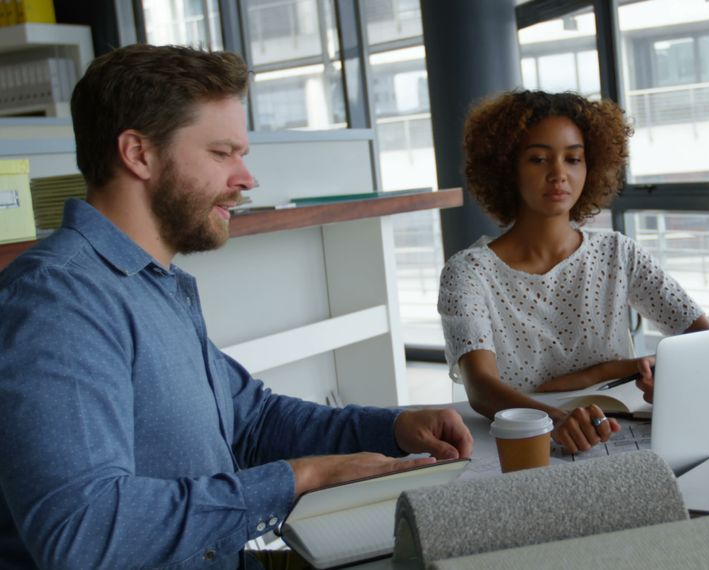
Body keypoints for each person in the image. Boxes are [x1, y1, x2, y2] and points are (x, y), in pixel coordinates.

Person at [0, 44, 473, 569]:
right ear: (139, 154)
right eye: (222, 153)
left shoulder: (151, 284)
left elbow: (252, 421)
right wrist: (301, 478)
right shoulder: (59, 300)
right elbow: (85, 533)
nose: (247, 179)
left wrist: (393, 429)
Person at [438, 90, 709, 454]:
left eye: (573, 159)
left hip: (619, 439)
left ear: (591, 166)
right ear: (507, 167)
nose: (558, 174)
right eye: (538, 159)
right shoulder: (467, 273)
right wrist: (555, 420)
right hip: (522, 447)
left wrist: (666, 377)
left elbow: (705, 342)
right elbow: (481, 388)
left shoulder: (618, 252)